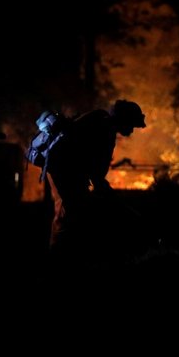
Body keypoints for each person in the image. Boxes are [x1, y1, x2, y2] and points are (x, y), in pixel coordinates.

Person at [45, 99, 146, 261]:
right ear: (124, 119)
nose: (132, 130)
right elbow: (95, 172)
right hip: (62, 170)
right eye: (132, 125)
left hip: (69, 171)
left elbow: (93, 169)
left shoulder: (103, 122)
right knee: (66, 214)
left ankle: (70, 258)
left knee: (77, 213)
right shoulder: (104, 129)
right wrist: (108, 194)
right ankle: (55, 262)